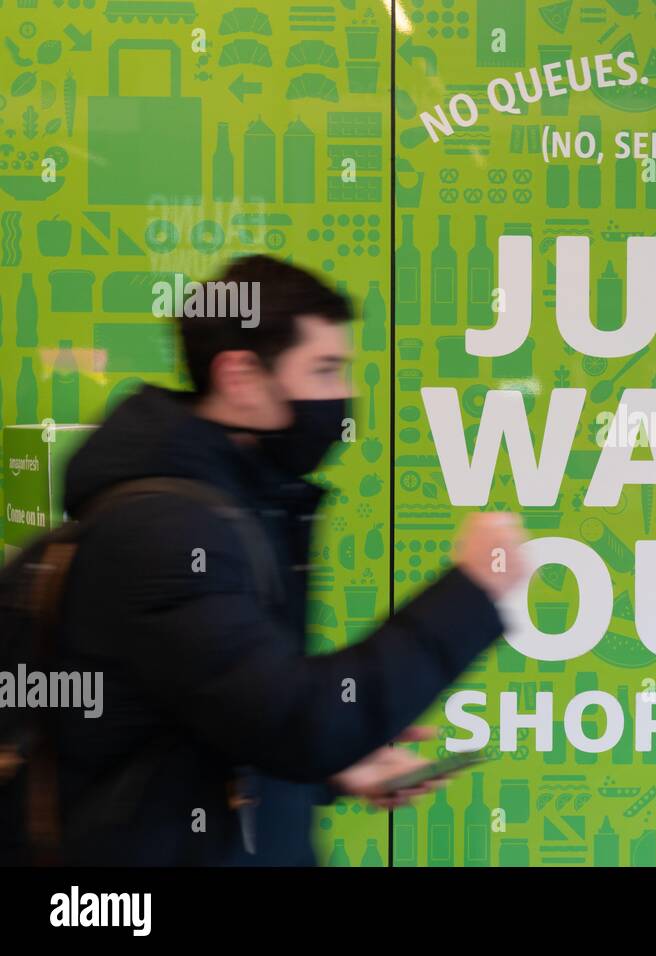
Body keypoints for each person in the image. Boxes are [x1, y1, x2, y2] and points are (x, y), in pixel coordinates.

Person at [49, 254, 526, 865]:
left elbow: (226, 721)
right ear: (241, 376)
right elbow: (299, 723)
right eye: (324, 370)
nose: (343, 395)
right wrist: (468, 592)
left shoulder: (239, 504)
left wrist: (329, 770)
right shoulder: (165, 531)